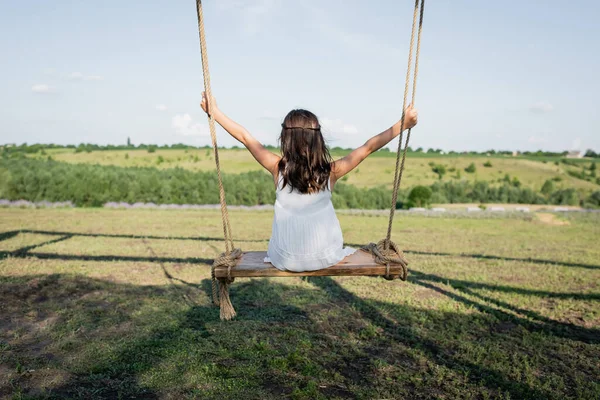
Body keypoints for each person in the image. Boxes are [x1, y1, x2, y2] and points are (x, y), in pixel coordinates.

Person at [200, 93, 418, 272]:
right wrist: (403, 124)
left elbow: (245, 137)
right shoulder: (331, 171)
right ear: (318, 139)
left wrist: (215, 112)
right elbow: (369, 147)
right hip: (325, 257)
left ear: (286, 138)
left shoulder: (277, 168)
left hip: (284, 260)